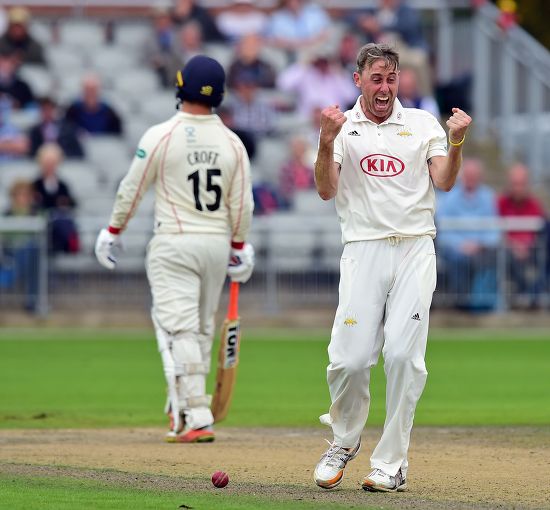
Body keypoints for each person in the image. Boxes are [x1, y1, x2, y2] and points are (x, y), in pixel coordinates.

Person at [313, 43, 471, 492]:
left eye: (391, 78)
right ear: (358, 81)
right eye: (376, 79)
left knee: (403, 356)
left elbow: (444, 179)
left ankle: (391, 463)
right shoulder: (341, 128)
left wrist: (456, 142)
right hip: (362, 248)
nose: (384, 88)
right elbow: (327, 191)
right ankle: (343, 441)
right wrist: (325, 142)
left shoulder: (421, 123)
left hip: (414, 249)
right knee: (348, 359)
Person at [94, 55, 254, 443]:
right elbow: (242, 203)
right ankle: (182, 408)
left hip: (175, 243)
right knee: (198, 328)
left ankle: (196, 413)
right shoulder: (233, 143)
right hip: (216, 246)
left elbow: (131, 188)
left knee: (177, 327)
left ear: (180, 87)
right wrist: (239, 245)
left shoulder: (160, 135)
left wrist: (113, 230)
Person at [437, 159, 500, 311]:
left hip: (482, 250)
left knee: (493, 260)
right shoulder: (449, 197)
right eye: (468, 175)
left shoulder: (488, 197)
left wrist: (479, 244)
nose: (471, 179)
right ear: (462, 175)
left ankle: (481, 304)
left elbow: (494, 230)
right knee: (457, 261)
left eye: (474, 175)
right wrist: (462, 245)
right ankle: (460, 304)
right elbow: (443, 230)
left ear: (480, 177)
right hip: (455, 251)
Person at [497, 163, 547, 308]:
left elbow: (541, 233)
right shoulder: (500, 203)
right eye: (515, 184)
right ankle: (525, 296)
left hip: (531, 251)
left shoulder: (535, 205)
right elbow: (495, 232)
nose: (518, 188)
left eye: (521, 184)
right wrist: (513, 245)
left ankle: (533, 296)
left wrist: (527, 246)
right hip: (508, 251)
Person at [32, 143, 80, 254]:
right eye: (47, 163)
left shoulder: (63, 185)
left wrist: (65, 204)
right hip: (42, 229)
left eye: (52, 163)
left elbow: (72, 203)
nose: (50, 166)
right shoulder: (35, 185)